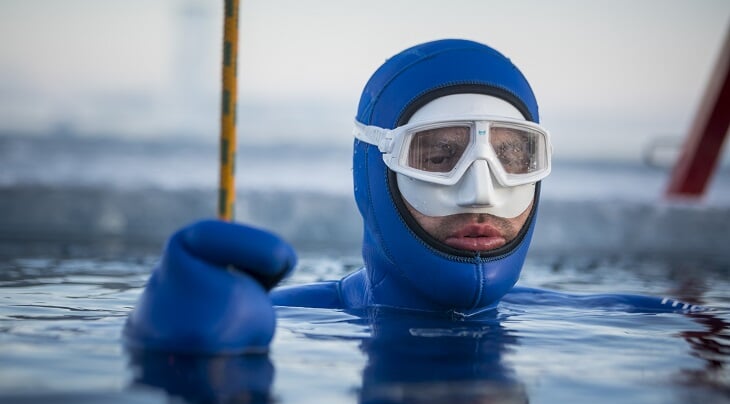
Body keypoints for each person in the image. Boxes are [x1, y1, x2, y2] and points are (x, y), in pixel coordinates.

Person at [125, 39, 701, 354]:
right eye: (439, 156)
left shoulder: (645, 320)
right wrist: (161, 344)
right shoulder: (257, 319)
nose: (482, 189)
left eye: (512, 156)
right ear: (372, 173)